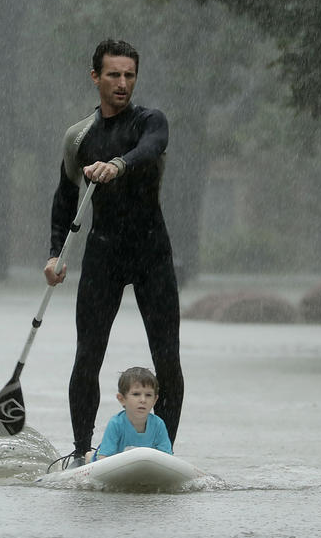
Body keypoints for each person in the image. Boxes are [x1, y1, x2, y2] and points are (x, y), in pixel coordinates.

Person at [45, 39, 183, 466]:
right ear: (95, 78)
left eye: (129, 75)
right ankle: (83, 451)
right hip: (103, 253)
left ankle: (162, 452)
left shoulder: (149, 122)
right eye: (113, 75)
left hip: (151, 252)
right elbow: (65, 199)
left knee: (167, 355)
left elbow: (151, 148)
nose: (122, 83)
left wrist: (118, 164)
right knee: (88, 353)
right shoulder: (79, 137)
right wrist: (55, 255)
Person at [85, 367, 173, 463]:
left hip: (144, 465)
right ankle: (89, 456)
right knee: (95, 457)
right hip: (113, 459)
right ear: (122, 399)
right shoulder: (116, 423)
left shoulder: (158, 425)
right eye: (136, 394)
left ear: (155, 400)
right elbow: (103, 459)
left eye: (148, 395)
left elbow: (167, 457)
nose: (143, 400)